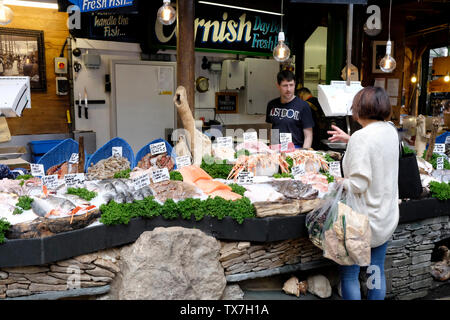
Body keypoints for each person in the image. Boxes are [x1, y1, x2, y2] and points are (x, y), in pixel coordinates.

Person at [327, 86, 399, 300]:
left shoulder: (362, 137)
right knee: (375, 269)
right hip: (385, 216)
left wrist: (338, 181)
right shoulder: (390, 131)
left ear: (359, 109)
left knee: (350, 274)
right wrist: (351, 140)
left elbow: (357, 184)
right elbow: (377, 151)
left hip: (361, 219)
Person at [266, 70, 314, 149]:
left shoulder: (303, 106)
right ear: (278, 86)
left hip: (296, 149)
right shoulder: (271, 105)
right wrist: (273, 149)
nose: (289, 89)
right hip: (277, 149)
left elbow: (308, 135)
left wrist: (304, 153)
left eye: (291, 85)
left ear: (295, 85)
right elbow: (273, 128)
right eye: (285, 85)